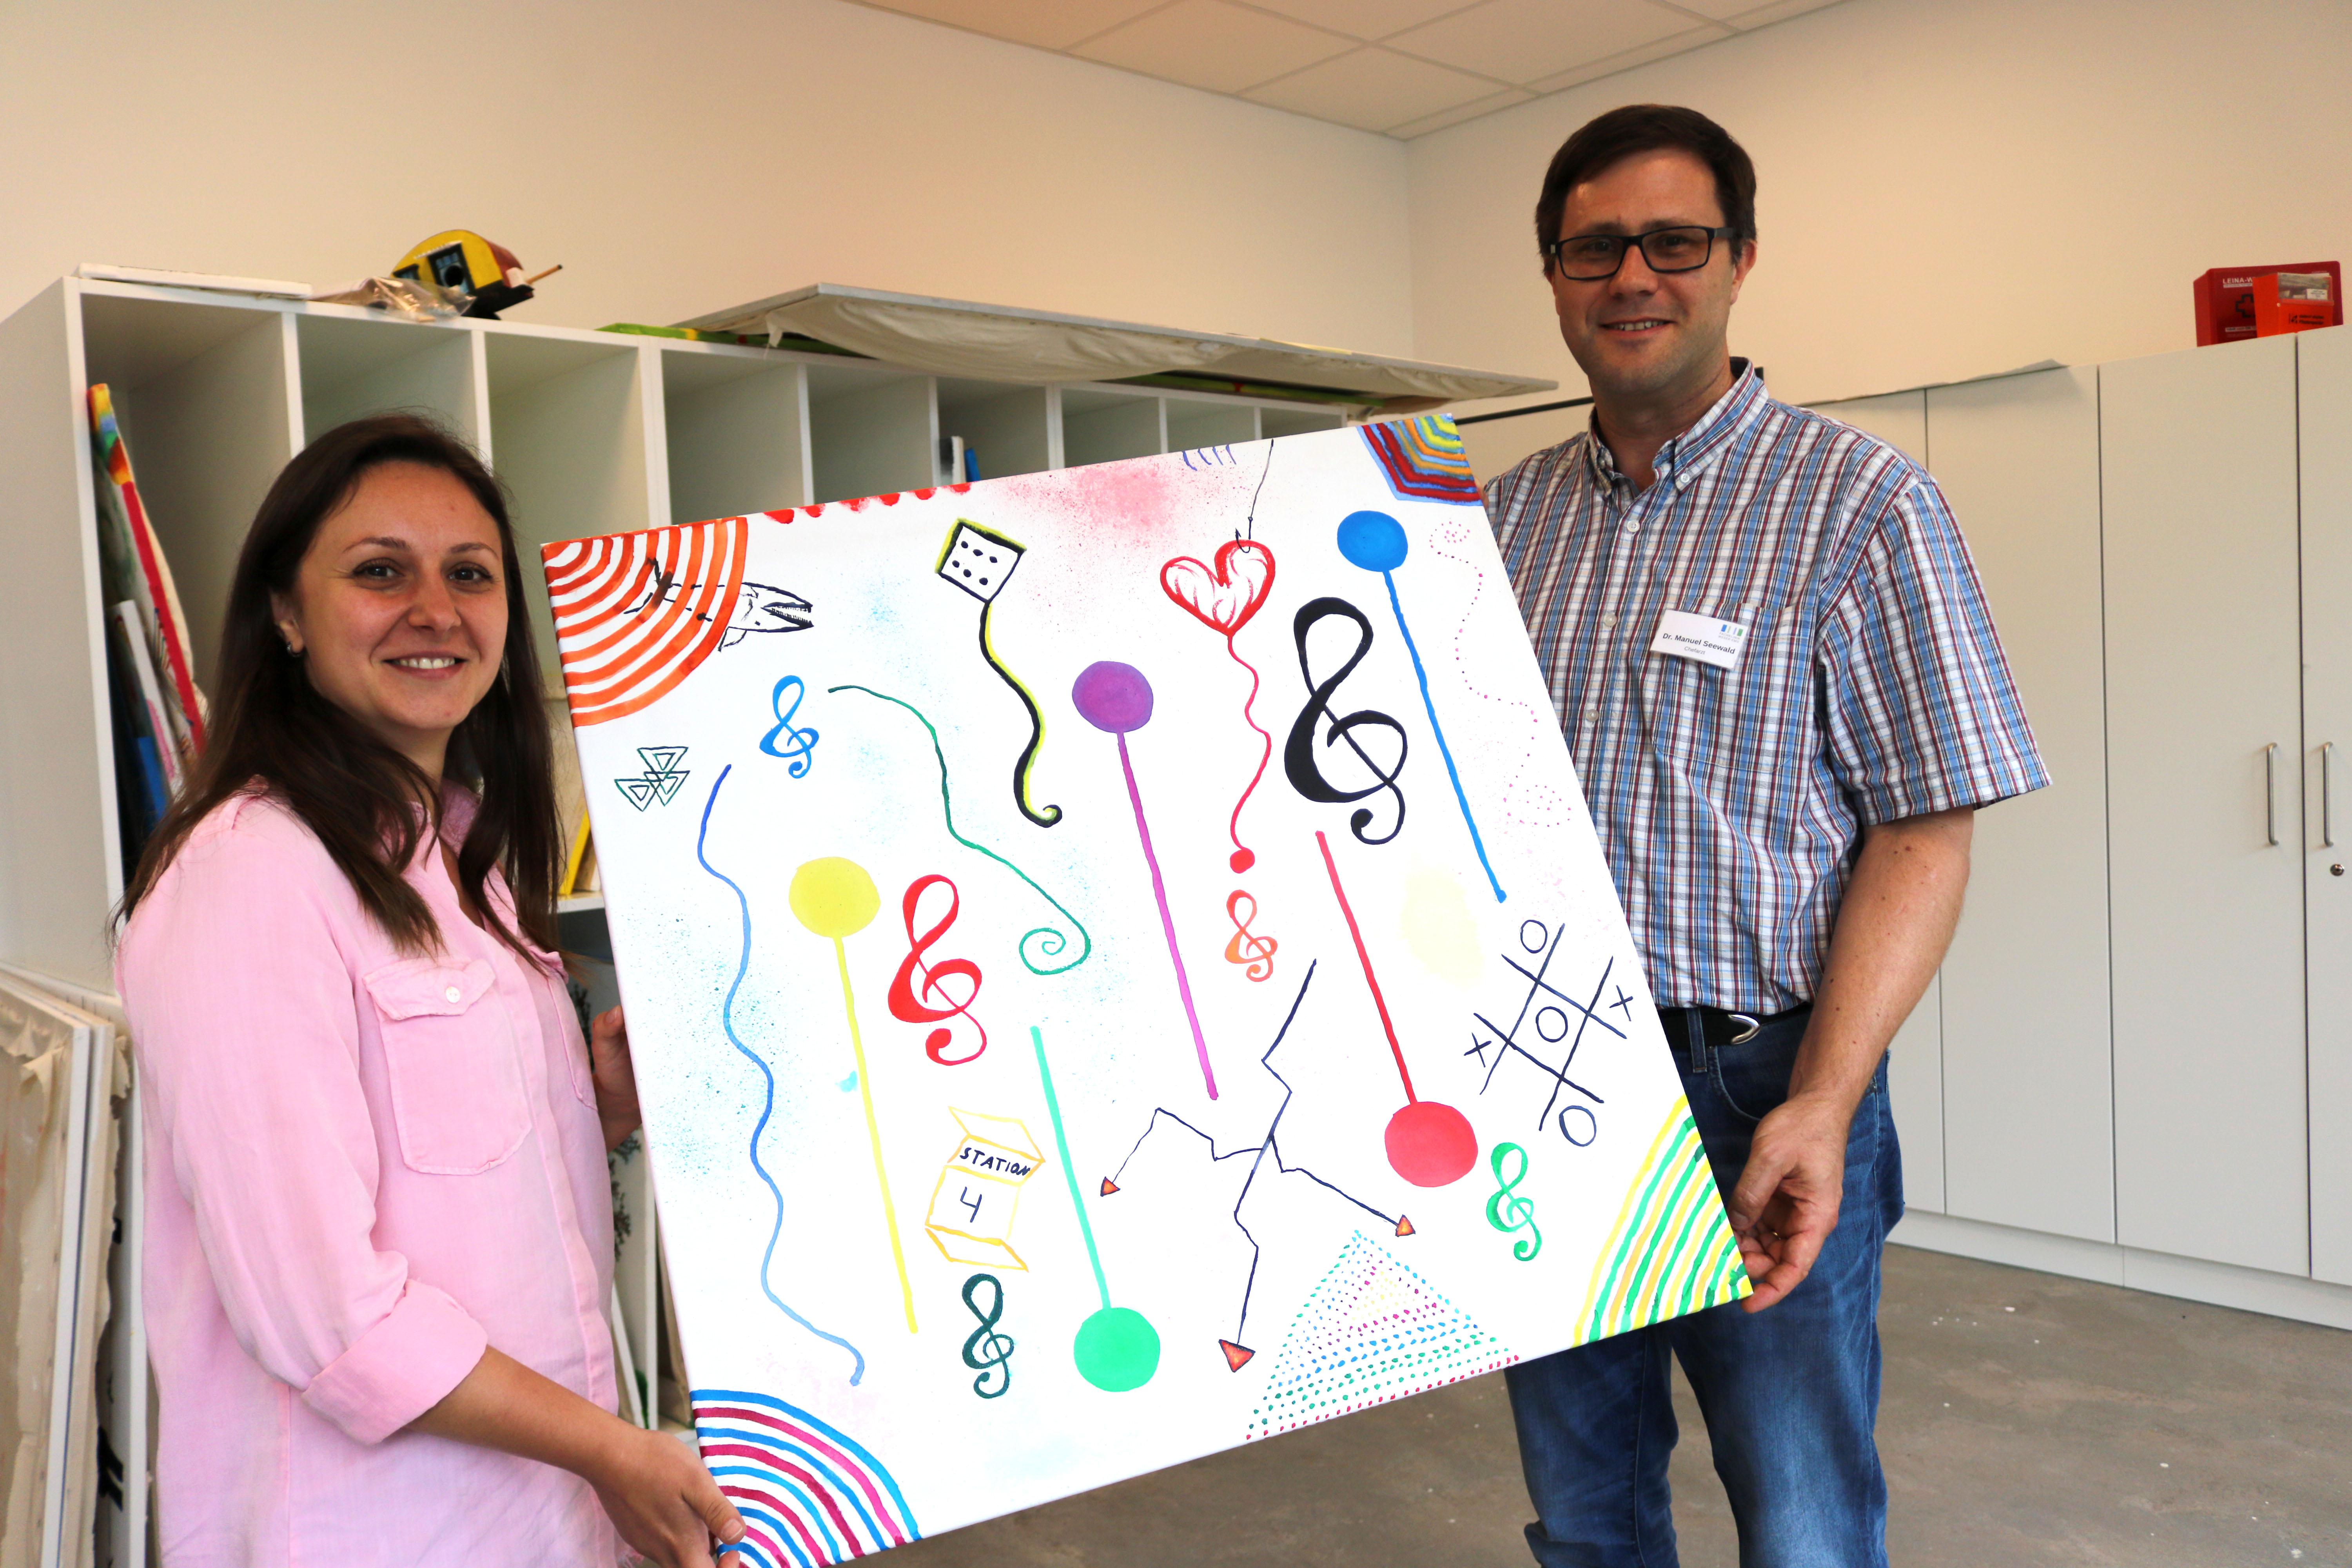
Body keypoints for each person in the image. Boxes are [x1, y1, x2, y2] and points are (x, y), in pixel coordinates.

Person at [1483, 105, 2046, 1567]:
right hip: (1547, 1079)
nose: (1634, 276)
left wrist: (1825, 1098)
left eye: (1674, 242)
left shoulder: (1863, 505)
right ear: (1555, 277)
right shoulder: (1497, 525)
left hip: (1760, 1083)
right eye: (1595, 248)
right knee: (1584, 1505)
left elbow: (1925, 832)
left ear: (1738, 260)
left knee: (1803, 1516)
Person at [114, 415, 745, 1566]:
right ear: (287, 615)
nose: (436, 611)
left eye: (470, 574)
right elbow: (323, 1314)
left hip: (541, 1516)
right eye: (379, 572)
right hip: (378, 1530)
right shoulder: (249, 876)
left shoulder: (467, 860)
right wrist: (613, 1452)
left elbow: (451, 1173)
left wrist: (596, 1104)